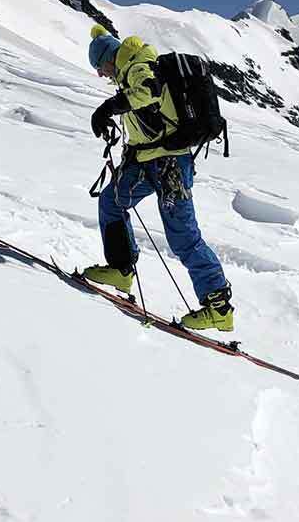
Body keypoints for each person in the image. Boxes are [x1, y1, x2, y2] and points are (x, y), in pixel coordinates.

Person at [83, 24, 233, 331]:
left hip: (170, 166)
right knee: (111, 202)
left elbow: (148, 93)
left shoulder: (138, 65)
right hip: (145, 161)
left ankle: (219, 306)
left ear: (110, 58)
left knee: (183, 236)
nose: (100, 74)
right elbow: (147, 122)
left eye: (100, 67)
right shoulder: (127, 72)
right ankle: (121, 269)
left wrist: (109, 108)